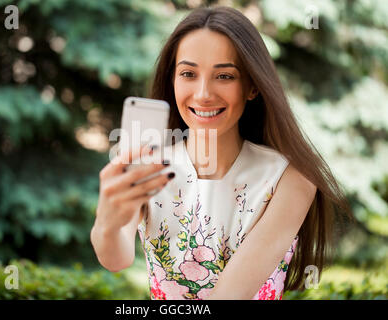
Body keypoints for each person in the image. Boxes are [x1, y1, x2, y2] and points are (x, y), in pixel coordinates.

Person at [91, 6, 353, 300]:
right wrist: (108, 220)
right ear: (172, 81)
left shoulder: (289, 180)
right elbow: (116, 259)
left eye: (225, 76)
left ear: (252, 87)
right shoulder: (149, 164)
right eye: (188, 73)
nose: (203, 93)